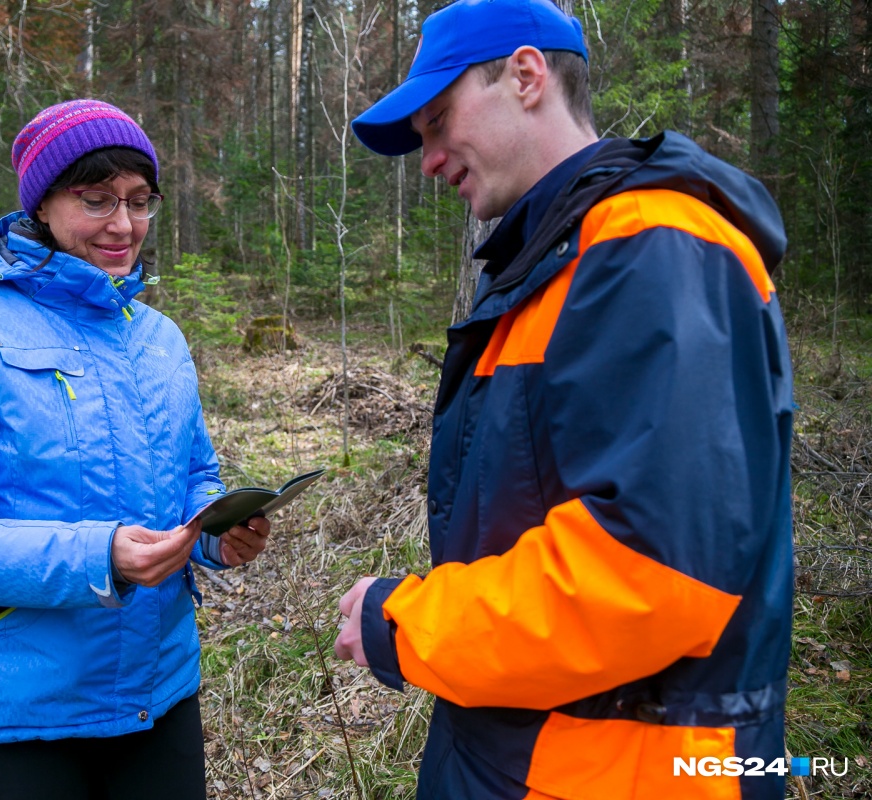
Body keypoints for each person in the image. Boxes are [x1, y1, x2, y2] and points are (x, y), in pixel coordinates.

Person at [334, 1, 794, 798]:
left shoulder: (650, 248)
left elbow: (651, 572)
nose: (430, 159)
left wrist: (408, 623)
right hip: (534, 757)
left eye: (439, 121)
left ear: (525, 75)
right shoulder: (557, 262)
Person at [0, 99, 271, 800]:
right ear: (43, 205)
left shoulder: (159, 338)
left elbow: (195, 476)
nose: (123, 225)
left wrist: (217, 535)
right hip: (20, 714)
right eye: (96, 200)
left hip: (158, 694)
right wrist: (100, 557)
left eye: (138, 201)